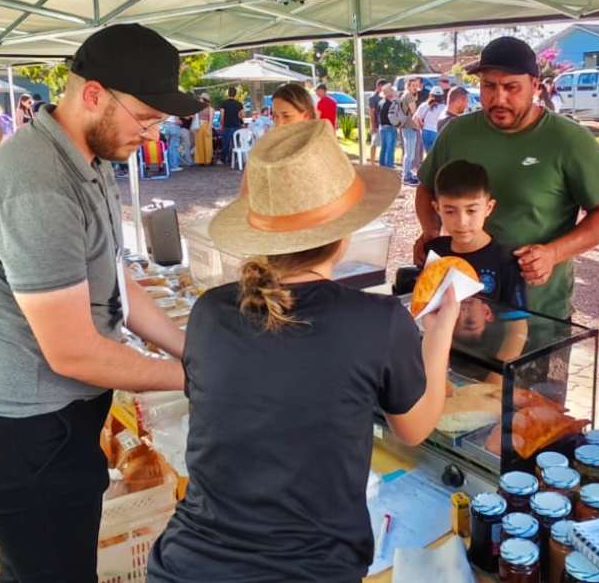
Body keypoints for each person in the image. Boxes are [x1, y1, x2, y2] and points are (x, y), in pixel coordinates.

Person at [0, 24, 200, 581]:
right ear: (94, 94)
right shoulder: (38, 184)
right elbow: (73, 353)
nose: (150, 136)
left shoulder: (86, 158)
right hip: (12, 434)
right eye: (145, 118)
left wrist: (191, 349)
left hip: (45, 422)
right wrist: (193, 378)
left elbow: (113, 275)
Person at [147, 120, 459, 582]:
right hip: (310, 571)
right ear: (345, 232)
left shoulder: (209, 311)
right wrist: (441, 329)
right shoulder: (375, 320)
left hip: (186, 564)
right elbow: (412, 430)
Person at [417, 36, 599, 320]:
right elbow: (426, 188)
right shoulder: (457, 132)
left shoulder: (570, 139)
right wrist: (430, 231)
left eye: (511, 87)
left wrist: (553, 253)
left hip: (537, 309)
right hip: (459, 309)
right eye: (489, 86)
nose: (499, 98)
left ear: (535, 86)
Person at [423, 160, 526, 311]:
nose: (462, 222)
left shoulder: (506, 260)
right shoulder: (434, 251)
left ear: (488, 208)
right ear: (437, 209)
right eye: (450, 211)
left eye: (471, 211)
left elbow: (517, 327)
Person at [399, 77, 423, 185]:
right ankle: (406, 176)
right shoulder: (408, 96)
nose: (415, 88)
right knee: (410, 153)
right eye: (413, 86)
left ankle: (407, 173)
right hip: (409, 127)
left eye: (416, 85)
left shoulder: (406, 95)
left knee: (410, 153)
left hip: (407, 126)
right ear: (408, 86)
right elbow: (414, 111)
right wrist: (420, 123)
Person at [416, 85, 446, 159]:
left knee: (428, 155)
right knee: (436, 156)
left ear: (430, 95)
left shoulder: (424, 105)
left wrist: (421, 127)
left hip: (425, 131)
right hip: (437, 132)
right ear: (442, 96)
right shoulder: (444, 107)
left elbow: (416, 118)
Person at [219, 87, 245, 164]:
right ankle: (235, 159)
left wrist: (221, 125)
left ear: (228, 94)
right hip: (237, 126)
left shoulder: (224, 103)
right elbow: (242, 115)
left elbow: (222, 115)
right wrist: (238, 116)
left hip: (227, 126)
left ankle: (223, 160)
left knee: (225, 144)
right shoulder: (239, 104)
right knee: (236, 144)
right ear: (235, 94)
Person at [377, 85, 399, 169]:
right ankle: (389, 165)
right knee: (390, 147)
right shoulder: (390, 104)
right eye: (391, 90)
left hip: (382, 127)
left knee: (384, 146)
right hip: (390, 127)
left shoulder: (381, 102)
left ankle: (382, 164)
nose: (393, 92)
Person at [368, 78, 386, 163]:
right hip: (377, 124)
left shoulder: (385, 96)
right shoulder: (373, 97)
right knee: (374, 143)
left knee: (384, 144)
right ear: (379, 86)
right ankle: (372, 162)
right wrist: (373, 125)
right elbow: (371, 112)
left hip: (384, 124)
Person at [192, 99, 214, 166]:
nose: (200, 100)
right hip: (198, 126)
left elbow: (211, 120)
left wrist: (208, 129)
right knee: (199, 144)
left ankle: (208, 160)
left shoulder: (210, 109)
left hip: (206, 126)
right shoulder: (198, 108)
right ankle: (200, 160)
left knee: (207, 144)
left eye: (201, 99)